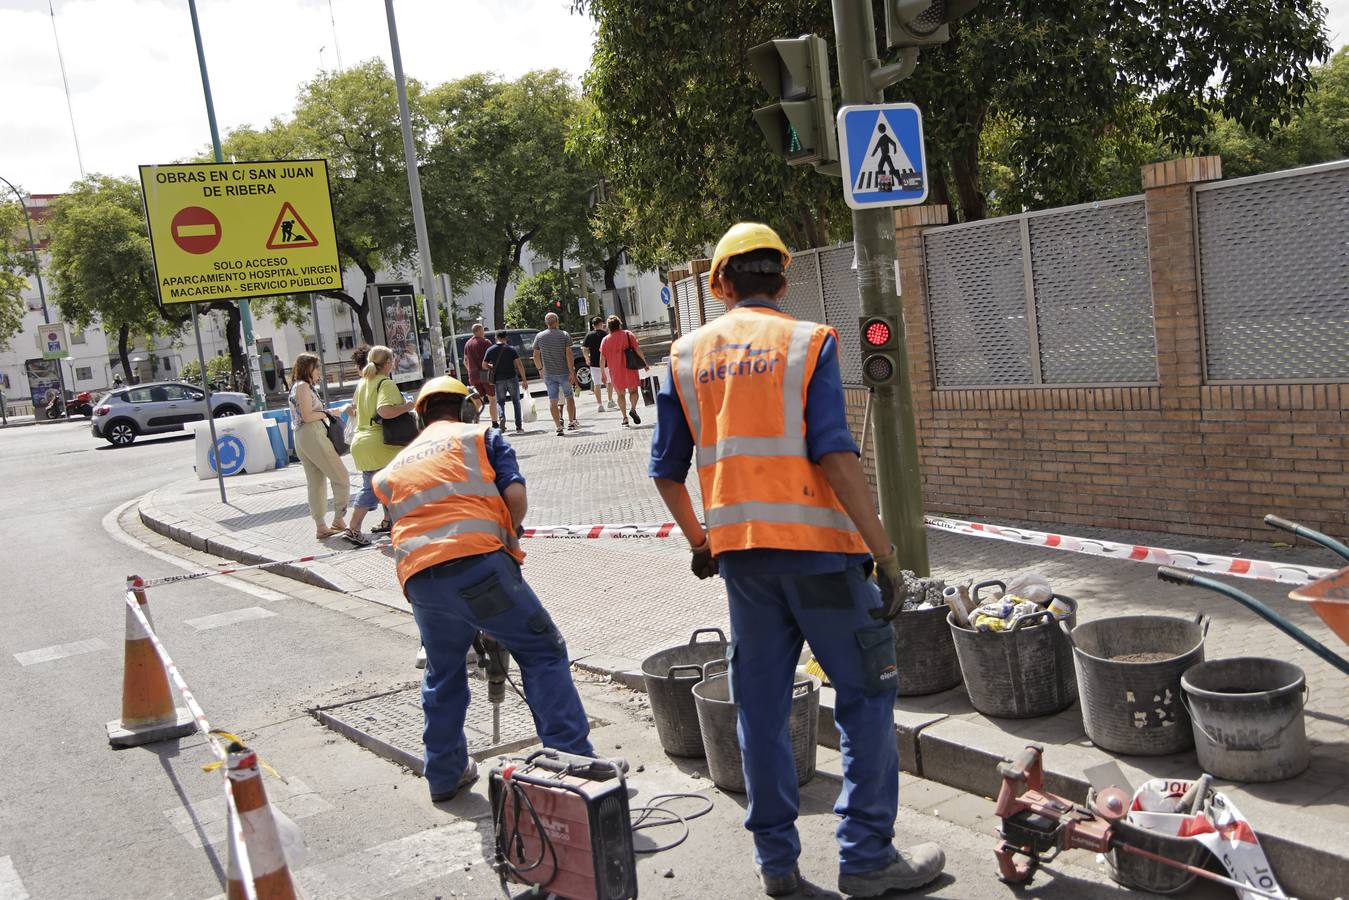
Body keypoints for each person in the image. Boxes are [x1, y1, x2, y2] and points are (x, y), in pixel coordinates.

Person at [648, 223, 944, 898]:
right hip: (825, 561)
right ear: (782, 280)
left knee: (759, 707)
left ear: (718, 285)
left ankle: (777, 865)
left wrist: (701, 541)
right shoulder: (807, 342)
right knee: (865, 699)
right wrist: (885, 555)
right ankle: (866, 859)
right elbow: (834, 454)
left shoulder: (685, 355)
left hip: (745, 564)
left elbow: (664, 471)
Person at [372, 376, 594, 802]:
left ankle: (443, 775)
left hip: (422, 581)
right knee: (542, 652)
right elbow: (514, 495)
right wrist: (510, 537)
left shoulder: (397, 466)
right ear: (467, 409)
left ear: (420, 416)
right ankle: (573, 764)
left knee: (443, 672)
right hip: (481, 568)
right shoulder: (480, 437)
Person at [344, 345, 417, 545]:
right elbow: (384, 411)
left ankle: (392, 524)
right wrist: (407, 407)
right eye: (392, 360)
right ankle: (353, 528)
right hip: (381, 443)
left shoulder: (363, 383)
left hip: (362, 442)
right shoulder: (385, 383)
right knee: (378, 487)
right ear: (386, 363)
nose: (393, 363)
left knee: (384, 486)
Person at [288, 352, 351, 540]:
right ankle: (339, 519)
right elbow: (308, 416)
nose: (319, 372)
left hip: (302, 436)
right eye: (316, 368)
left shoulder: (297, 386)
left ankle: (321, 526)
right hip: (312, 433)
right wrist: (329, 412)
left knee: (315, 482)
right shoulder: (303, 387)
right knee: (341, 476)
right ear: (307, 368)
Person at [531, 312, 578, 436]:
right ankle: (571, 422)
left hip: (549, 374)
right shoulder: (564, 335)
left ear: (546, 323)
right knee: (569, 397)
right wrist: (571, 371)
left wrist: (540, 369)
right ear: (557, 322)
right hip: (564, 372)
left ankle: (558, 426)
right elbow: (569, 354)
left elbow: (535, 355)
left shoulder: (539, 336)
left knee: (553, 400)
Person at [599, 315, 649, 428]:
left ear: (608, 327)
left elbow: (602, 358)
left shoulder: (605, 340)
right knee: (634, 392)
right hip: (630, 368)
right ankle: (633, 409)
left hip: (616, 371)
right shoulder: (628, 334)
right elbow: (637, 349)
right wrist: (644, 363)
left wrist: (602, 373)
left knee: (620, 395)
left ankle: (625, 418)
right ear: (619, 324)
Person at [483, 331, 530, 433]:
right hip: (512, 378)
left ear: (496, 337)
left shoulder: (490, 350)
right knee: (516, 402)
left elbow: (484, 365)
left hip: (499, 379)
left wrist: (492, 366)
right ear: (506, 338)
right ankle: (518, 426)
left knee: (500, 402)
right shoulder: (511, 349)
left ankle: (501, 417)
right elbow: (519, 365)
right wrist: (524, 380)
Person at [581, 316, 614, 411]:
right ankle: (610, 400)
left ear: (593, 325)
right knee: (609, 381)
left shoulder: (589, 335)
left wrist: (587, 358)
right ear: (601, 324)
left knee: (597, 384)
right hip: (607, 362)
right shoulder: (606, 334)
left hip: (594, 363)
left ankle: (599, 404)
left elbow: (584, 348)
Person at [463, 323, 493, 404]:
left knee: (478, 402)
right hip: (484, 373)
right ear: (480, 331)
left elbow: (465, 361)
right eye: (483, 330)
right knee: (492, 400)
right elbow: (492, 358)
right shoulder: (486, 342)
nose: (484, 332)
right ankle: (494, 417)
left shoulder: (468, 343)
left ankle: (476, 416)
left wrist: (470, 371)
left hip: (473, 375)